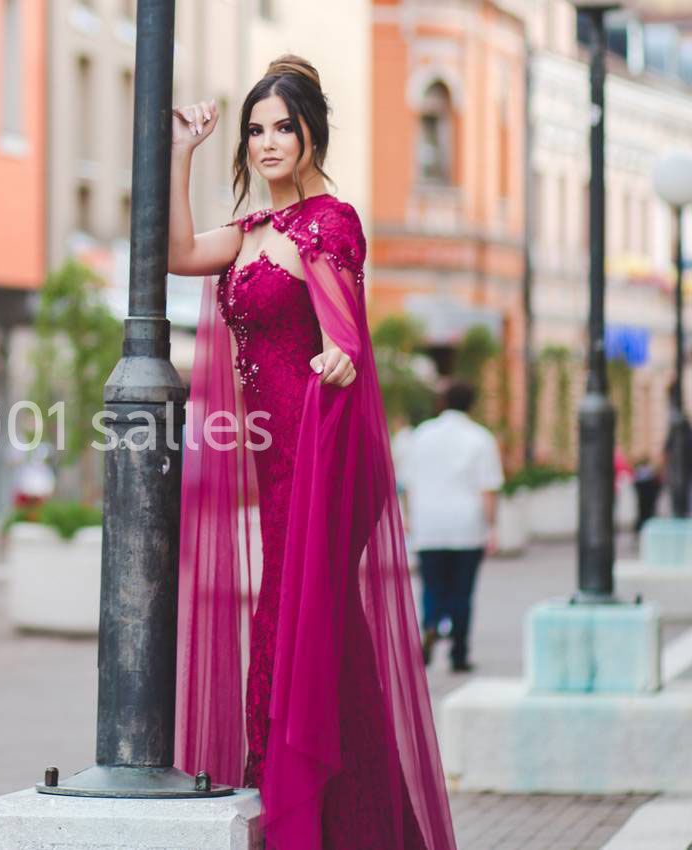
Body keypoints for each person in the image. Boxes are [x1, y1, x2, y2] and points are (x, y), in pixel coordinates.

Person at [167, 57, 456, 849]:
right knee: (303, 626)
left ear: (310, 133)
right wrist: (181, 154)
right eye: (255, 130)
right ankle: (350, 817)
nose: (266, 142)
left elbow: (344, 330)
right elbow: (176, 252)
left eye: (281, 128)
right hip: (278, 461)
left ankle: (317, 813)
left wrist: (342, 356)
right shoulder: (253, 233)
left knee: (302, 622)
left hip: (322, 460)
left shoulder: (331, 222)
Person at [401, 381, 504, 674]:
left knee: (432, 584)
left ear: (442, 402)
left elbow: (408, 483)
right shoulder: (480, 438)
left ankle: (432, 622)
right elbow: (488, 488)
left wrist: (410, 516)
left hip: (428, 521)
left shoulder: (421, 436)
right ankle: (459, 653)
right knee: (462, 590)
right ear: (472, 403)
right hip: (466, 524)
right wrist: (492, 526)